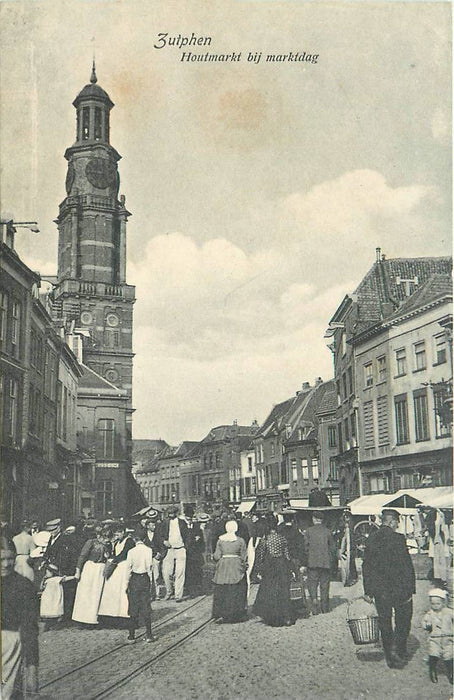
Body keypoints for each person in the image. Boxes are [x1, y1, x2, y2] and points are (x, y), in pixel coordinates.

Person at [363, 508, 416, 668]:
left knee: (385, 621)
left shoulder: (371, 539)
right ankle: (399, 650)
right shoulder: (398, 539)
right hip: (399, 587)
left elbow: (367, 566)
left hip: (380, 590)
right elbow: (406, 565)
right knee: (403, 620)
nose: (397, 526)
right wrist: (411, 587)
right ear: (392, 522)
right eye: (396, 523)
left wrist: (368, 591)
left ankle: (390, 656)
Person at [1, 534, 39, 699]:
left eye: (10, 559)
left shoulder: (23, 586)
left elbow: (29, 628)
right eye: (1, 559)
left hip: (10, 646)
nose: (6, 564)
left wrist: (32, 668)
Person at [253, 514, 294, 627]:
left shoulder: (265, 540)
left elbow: (260, 556)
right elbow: (287, 556)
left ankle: (273, 617)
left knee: (270, 590)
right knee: (283, 590)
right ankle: (286, 617)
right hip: (282, 564)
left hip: (270, 565)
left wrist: (258, 570)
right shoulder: (282, 538)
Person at [72, 525, 112, 626]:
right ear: (99, 536)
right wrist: (78, 571)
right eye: (104, 537)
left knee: (96, 594)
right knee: (86, 594)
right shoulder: (91, 542)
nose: (106, 539)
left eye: (108, 537)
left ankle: (94, 619)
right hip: (90, 569)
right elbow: (82, 556)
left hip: (100, 570)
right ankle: (82, 619)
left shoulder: (109, 545)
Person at [212, 519, 248, 624]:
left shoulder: (220, 540)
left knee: (222, 589)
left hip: (223, 566)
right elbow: (244, 556)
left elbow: (217, 556)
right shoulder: (240, 540)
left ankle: (221, 613)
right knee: (236, 589)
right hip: (236, 566)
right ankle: (236, 614)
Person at [125, 525, 156, 643]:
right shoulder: (149, 550)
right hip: (145, 579)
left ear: (134, 539)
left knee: (133, 607)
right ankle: (149, 635)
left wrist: (126, 584)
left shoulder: (131, 552)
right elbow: (150, 568)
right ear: (144, 539)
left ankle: (131, 636)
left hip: (134, 579)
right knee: (145, 607)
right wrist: (151, 583)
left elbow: (128, 569)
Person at [98, 523, 135, 621]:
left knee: (122, 589)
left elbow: (125, 553)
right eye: (115, 535)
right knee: (113, 590)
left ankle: (123, 614)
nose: (116, 536)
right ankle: (111, 613)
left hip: (124, 566)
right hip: (117, 567)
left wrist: (114, 560)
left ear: (123, 532)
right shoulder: (117, 542)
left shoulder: (129, 541)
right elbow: (114, 553)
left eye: (117, 534)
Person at [304, 511, 337, 615]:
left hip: (312, 563)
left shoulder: (308, 531)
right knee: (325, 585)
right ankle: (325, 608)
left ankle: (314, 604)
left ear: (314, 519)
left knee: (312, 584)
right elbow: (333, 548)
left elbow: (305, 547)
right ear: (322, 520)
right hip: (325, 563)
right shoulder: (328, 531)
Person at [422, 588, 453, 684]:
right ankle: (432, 670)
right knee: (434, 654)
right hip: (434, 638)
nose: (435, 606)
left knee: (448, 656)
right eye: (433, 604)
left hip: (447, 638)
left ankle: (451, 673)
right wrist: (427, 625)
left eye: (438, 604)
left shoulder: (449, 612)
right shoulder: (430, 614)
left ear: (443, 603)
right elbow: (424, 622)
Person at [160, 506, 189, 602]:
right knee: (166, 572)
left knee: (180, 572)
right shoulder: (165, 523)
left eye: (172, 513)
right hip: (169, 550)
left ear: (176, 513)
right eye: (169, 513)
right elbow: (159, 535)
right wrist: (164, 541)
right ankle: (169, 591)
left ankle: (178, 595)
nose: (170, 515)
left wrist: (185, 547)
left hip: (180, 549)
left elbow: (187, 536)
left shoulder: (182, 523)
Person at [185, 514, 205, 597]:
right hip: (187, 553)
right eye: (188, 519)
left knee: (197, 571)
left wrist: (199, 540)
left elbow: (201, 540)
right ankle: (190, 590)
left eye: (190, 519)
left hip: (196, 553)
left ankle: (198, 589)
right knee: (188, 572)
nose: (189, 520)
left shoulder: (197, 527)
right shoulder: (183, 527)